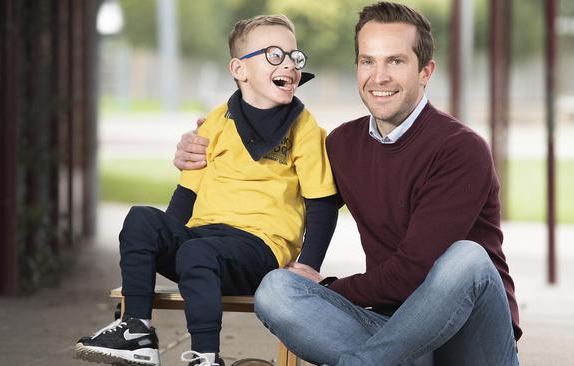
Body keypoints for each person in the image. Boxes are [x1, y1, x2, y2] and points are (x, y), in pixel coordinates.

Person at [175, 2, 521, 365]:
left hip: (469, 343)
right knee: (276, 289)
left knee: (467, 259)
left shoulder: (460, 149)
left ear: (425, 71)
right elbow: (268, 179)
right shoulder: (342, 145)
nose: (379, 76)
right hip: (393, 332)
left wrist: (329, 288)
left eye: (396, 61)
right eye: (368, 61)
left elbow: (412, 273)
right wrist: (204, 149)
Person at [75, 14, 338, 366]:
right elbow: (187, 195)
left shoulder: (303, 128)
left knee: (197, 253)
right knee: (142, 219)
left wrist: (308, 266)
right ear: (239, 69)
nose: (289, 64)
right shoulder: (216, 121)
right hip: (203, 242)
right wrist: (164, 240)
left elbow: (321, 204)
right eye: (275, 55)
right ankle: (135, 330)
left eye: (294, 56)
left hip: (259, 249)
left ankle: (205, 356)